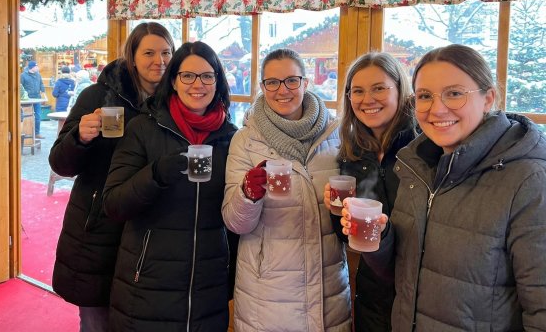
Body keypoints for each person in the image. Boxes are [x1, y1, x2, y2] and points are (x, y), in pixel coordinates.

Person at [341, 44, 546, 331]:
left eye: (454, 93)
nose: (437, 108)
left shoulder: (529, 178)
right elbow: (405, 273)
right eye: (426, 96)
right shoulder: (418, 168)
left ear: (489, 98)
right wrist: (380, 234)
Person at [48, 22, 175, 332]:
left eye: (166, 52)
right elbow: (59, 164)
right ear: (131, 57)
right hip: (98, 229)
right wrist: (80, 136)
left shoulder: (175, 102)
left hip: (147, 229)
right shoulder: (98, 96)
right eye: (149, 52)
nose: (159, 60)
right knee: (96, 322)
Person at [103, 41, 237, 331]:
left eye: (207, 75)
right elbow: (113, 204)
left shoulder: (231, 137)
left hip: (208, 286)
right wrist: (156, 174)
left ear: (218, 81)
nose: (197, 84)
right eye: (187, 75)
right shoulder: (144, 128)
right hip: (148, 283)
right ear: (174, 81)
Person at [222, 48, 352, 331]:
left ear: (305, 83)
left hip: (328, 287)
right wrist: (248, 194)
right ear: (262, 87)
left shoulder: (336, 136)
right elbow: (235, 222)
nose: (283, 90)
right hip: (267, 295)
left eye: (292, 80)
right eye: (273, 82)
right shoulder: (245, 141)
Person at [322, 52, 416, 332]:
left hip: (421, 293)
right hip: (373, 295)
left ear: (400, 90)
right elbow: (349, 238)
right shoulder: (353, 154)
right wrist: (338, 212)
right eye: (358, 91)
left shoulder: (424, 148)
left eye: (379, 88)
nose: (367, 99)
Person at [20, 60, 46, 138]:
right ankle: (25, 133)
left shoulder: (38, 75)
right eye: (36, 66)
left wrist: (43, 92)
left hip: (37, 98)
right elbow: (20, 86)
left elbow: (41, 83)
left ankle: (37, 133)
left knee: (38, 116)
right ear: (31, 67)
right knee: (26, 117)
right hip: (27, 100)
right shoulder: (23, 75)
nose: (37, 68)